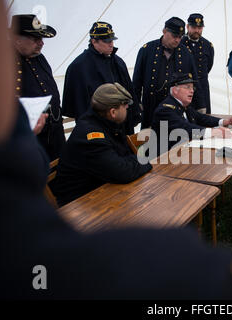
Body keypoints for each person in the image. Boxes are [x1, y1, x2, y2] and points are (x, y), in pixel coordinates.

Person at [0, 1, 232, 300]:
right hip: (87, 200)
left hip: (98, 177)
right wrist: (145, 162)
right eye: (188, 88)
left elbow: (179, 128)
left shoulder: (123, 117)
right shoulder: (139, 114)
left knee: (200, 162)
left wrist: (209, 124)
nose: (193, 92)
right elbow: (130, 164)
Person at [53, 83, 152, 206]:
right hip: (79, 204)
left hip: (101, 189)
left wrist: (133, 162)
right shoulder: (91, 136)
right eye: (125, 105)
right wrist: (144, 161)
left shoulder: (105, 123)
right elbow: (122, 172)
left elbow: (125, 157)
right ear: (113, 112)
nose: (127, 107)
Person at [62, 22, 141, 135]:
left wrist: (133, 115)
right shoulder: (78, 67)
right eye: (107, 41)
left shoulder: (118, 62)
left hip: (122, 125)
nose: (111, 45)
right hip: (98, 129)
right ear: (94, 41)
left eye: (112, 40)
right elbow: (79, 106)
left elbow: (129, 91)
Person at [11, 14, 66, 161]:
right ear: (16, 39)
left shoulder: (39, 57)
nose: (41, 43)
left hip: (54, 132)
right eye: (36, 39)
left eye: (41, 39)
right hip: (31, 138)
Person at [133, 17, 203, 129]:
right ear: (164, 31)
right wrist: (136, 106)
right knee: (151, 142)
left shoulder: (185, 53)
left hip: (175, 109)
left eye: (180, 37)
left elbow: (195, 79)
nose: (177, 40)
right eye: (174, 36)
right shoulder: (147, 50)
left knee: (175, 140)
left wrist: (200, 105)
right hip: (151, 105)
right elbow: (137, 81)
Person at [151, 73, 232, 155]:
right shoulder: (165, 110)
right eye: (188, 87)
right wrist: (214, 132)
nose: (192, 91)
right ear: (175, 90)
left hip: (181, 152)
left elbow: (201, 118)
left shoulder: (182, 105)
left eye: (192, 87)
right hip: (162, 158)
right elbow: (185, 129)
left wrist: (224, 122)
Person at [180, 13, 214, 114]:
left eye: (200, 28)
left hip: (202, 88)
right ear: (187, 26)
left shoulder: (208, 45)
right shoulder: (180, 43)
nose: (197, 31)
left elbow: (208, 66)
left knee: (203, 121)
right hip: (183, 87)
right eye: (194, 27)